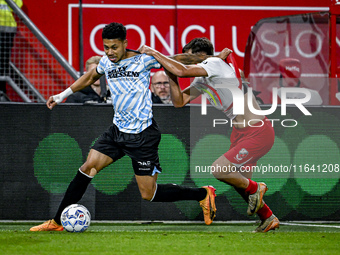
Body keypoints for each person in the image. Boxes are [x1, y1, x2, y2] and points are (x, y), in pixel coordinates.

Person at [30, 23, 217, 232]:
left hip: (143, 135)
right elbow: (91, 77)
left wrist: (215, 59)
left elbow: (178, 59)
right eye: (106, 47)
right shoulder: (105, 62)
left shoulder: (143, 59)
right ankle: (56, 222)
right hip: (117, 132)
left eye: (114, 47)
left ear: (125, 44)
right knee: (87, 168)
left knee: (149, 194)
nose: (110, 52)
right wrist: (61, 95)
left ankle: (202, 194)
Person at [139, 37, 280, 233]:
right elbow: (179, 101)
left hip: (258, 131)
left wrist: (155, 54)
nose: (185, 61)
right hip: (240, 132)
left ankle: (257, 188)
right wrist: (170, 73)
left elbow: (182, 69)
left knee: (220, 170)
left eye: (188, 57)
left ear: (202, 56)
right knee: (240, 183)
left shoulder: (215, 64)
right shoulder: (203, 78)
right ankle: (268, 217)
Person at [0, 0, 23, 95]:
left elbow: (18, 6)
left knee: (3, 62)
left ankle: (2, 90)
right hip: (8, 29)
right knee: (3, 63)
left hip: (8, 29)